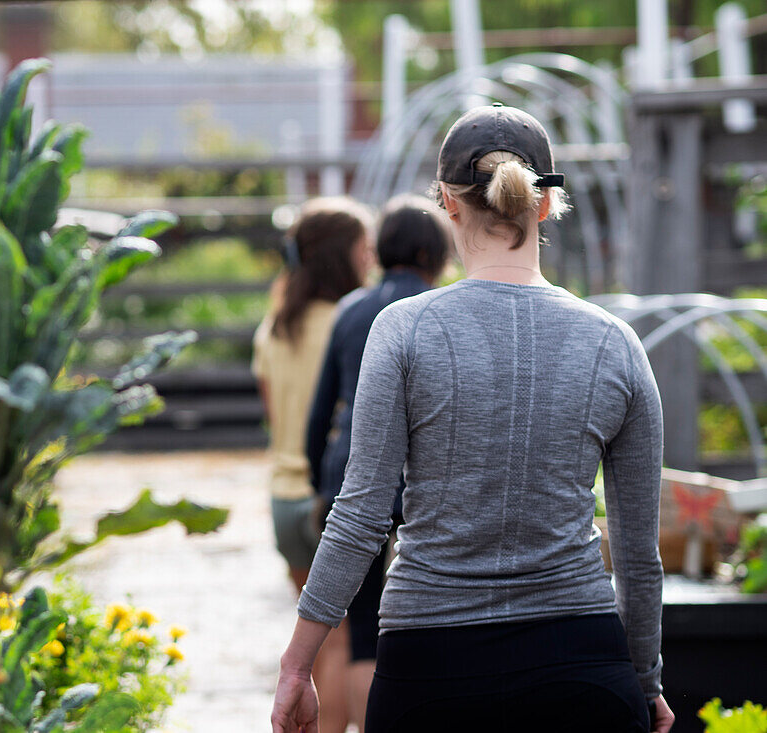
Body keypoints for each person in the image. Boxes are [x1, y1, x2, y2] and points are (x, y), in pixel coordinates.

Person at [271, 104, 675, 733]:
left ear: (447, 204)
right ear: (544, 205)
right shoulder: (615, 344)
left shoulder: (403, 331)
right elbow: (636, 551)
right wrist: (645, 679)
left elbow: (361, 515)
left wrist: (298, 664)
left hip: (430, 668)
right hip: (584, 667)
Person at [304, 194, 452, 732]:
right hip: (421, 489)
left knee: (362, 629)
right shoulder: (442, 310)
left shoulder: (351, 310)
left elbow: (320, 413)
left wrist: (323, 480)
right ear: (435, 250)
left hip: (352, 478)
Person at [253, 196, 374, 733]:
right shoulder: (354, 324)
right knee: (344, 639)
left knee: (311, 634)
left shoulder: (274, 328)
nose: (370, 259)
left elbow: (276, 416)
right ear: (342, 255)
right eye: (364, 248)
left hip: (281, 497)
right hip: (330, 502)